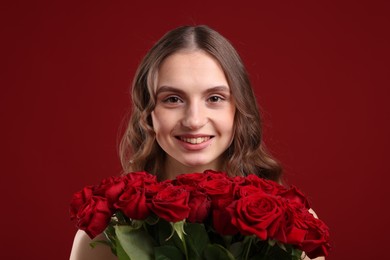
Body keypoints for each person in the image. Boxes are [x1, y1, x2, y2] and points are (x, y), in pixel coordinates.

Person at [70, 25, 324, 260]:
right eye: (172, 99)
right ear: (148, 113)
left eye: (214, 98)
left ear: (238, 108)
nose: (194, 120)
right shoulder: (106, 237)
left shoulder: (294, 229)